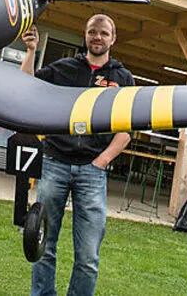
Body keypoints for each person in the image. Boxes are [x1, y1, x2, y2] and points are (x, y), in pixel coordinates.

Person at [20, 15, 133, 296]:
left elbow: (130, 129)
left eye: (103, 33)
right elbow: (25, 87)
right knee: (43, 243)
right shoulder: (64, 68)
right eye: (92, 32)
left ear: (113, 38)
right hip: (55, 163)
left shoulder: (123, 78)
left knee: (88, 256)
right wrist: (31, 52)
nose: (97, 37)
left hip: (93, 171)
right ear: (85, 35)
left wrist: (102, 160)